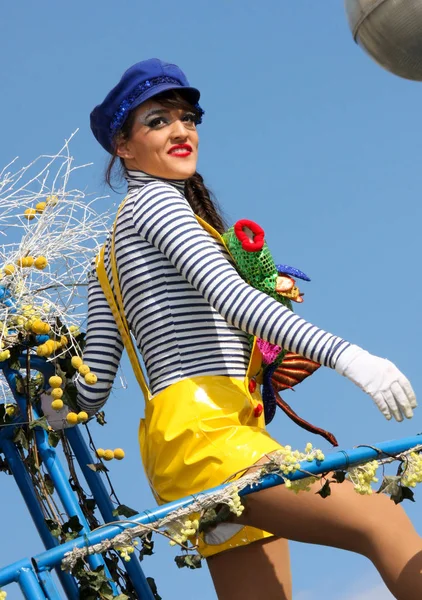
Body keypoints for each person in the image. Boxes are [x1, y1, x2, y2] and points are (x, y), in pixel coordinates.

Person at [78, 58, 421, 599]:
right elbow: (233, 299)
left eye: (187, 117)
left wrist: (40, 392)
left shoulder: (106, 257)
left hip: (182, 450)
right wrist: (350, 357)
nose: (181, 130)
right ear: (123, 146)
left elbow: (89, 391)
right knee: (380, 520)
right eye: (158, 120)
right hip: (212, 440)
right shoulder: (159, 205)